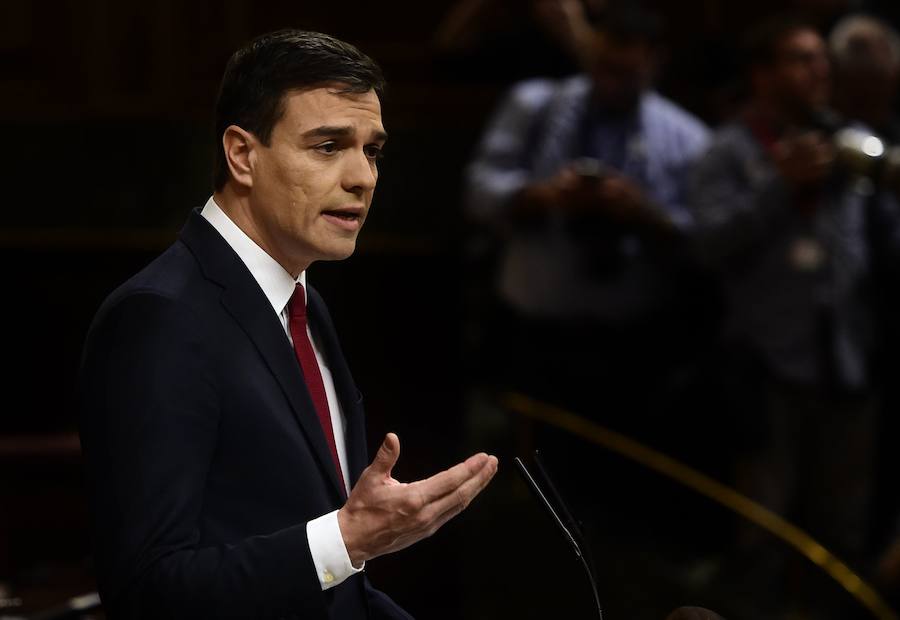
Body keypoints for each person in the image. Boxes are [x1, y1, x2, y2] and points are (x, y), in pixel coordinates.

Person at [78, 30, 498, 619]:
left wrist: (348, 550)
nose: (363, 177)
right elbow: (147, 589)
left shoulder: (305, 304)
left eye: (372, 151)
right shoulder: (159, 318)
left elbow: (335, 590)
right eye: (328, 146)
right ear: (242, 155)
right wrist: (348, 540)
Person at [686, 16, 900, 572]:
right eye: (801, 59)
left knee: (842, 526)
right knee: (764, 525)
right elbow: (705, 245)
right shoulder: (728, 150)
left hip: (847, 359)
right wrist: (778, 188)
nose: (819, 70)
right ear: (762, 74)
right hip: (767, 364)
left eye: (821, 59)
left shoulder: (850, 143)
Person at [464, 3, 710, 425]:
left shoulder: (686, 137)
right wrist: (543, 196)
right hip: (532, 330)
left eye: (625, 72)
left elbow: (705, 243)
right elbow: (478, 191)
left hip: (632, 345)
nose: (609, 83)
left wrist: (642, 212)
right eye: (601, 67)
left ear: (655, 63)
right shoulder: (536, 106)